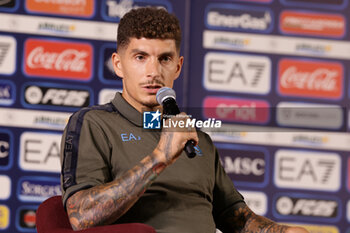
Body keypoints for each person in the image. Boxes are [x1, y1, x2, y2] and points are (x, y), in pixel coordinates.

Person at [60, 7, 309, 233]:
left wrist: (281, 232)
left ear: (177, 67)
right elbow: (82, 216)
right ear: (118, 65)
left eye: (164, 59)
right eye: (140, 57)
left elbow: (235, 217)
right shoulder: (93, 123)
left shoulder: (196, 138)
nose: (154, 72)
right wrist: (160, 158)